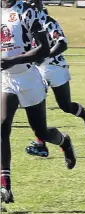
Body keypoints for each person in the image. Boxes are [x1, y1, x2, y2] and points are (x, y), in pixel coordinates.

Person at [1, 0, 76, 203]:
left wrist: (12, 61)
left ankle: (64, 142)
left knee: (41, 132)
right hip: (7, 80)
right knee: (2, 125)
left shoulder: (26, 11)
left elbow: (43, 49)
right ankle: (5, 185)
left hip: (29, 78)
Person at [24, 0, 85, 158]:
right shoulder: (23, 21)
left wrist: (45, 56)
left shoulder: (48, 22)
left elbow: (62, 44)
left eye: (33, 2)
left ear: (40, 4)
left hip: (55, 66)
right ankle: (41, 144)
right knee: (35, 103)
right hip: (36, 70)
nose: (30, 4)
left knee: (65, 106)